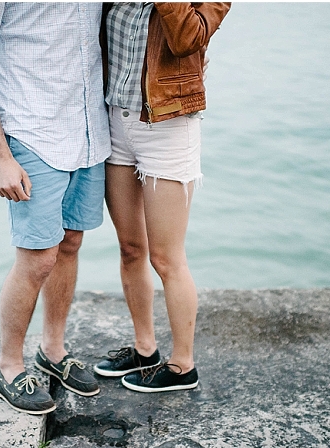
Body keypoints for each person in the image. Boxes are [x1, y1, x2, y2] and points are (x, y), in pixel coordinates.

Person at [0, 3, 111, 414]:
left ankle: (53, 350)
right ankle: (9, 367)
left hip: (88, 127)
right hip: (31, 130)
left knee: (71, 242)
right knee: (38, 256)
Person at [93, 3, 231, 392]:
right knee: (131, 248)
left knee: (167, 257)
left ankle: (183, 366)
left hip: (168, 124)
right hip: (116, 117)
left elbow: (188, 39)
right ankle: (144, 348)